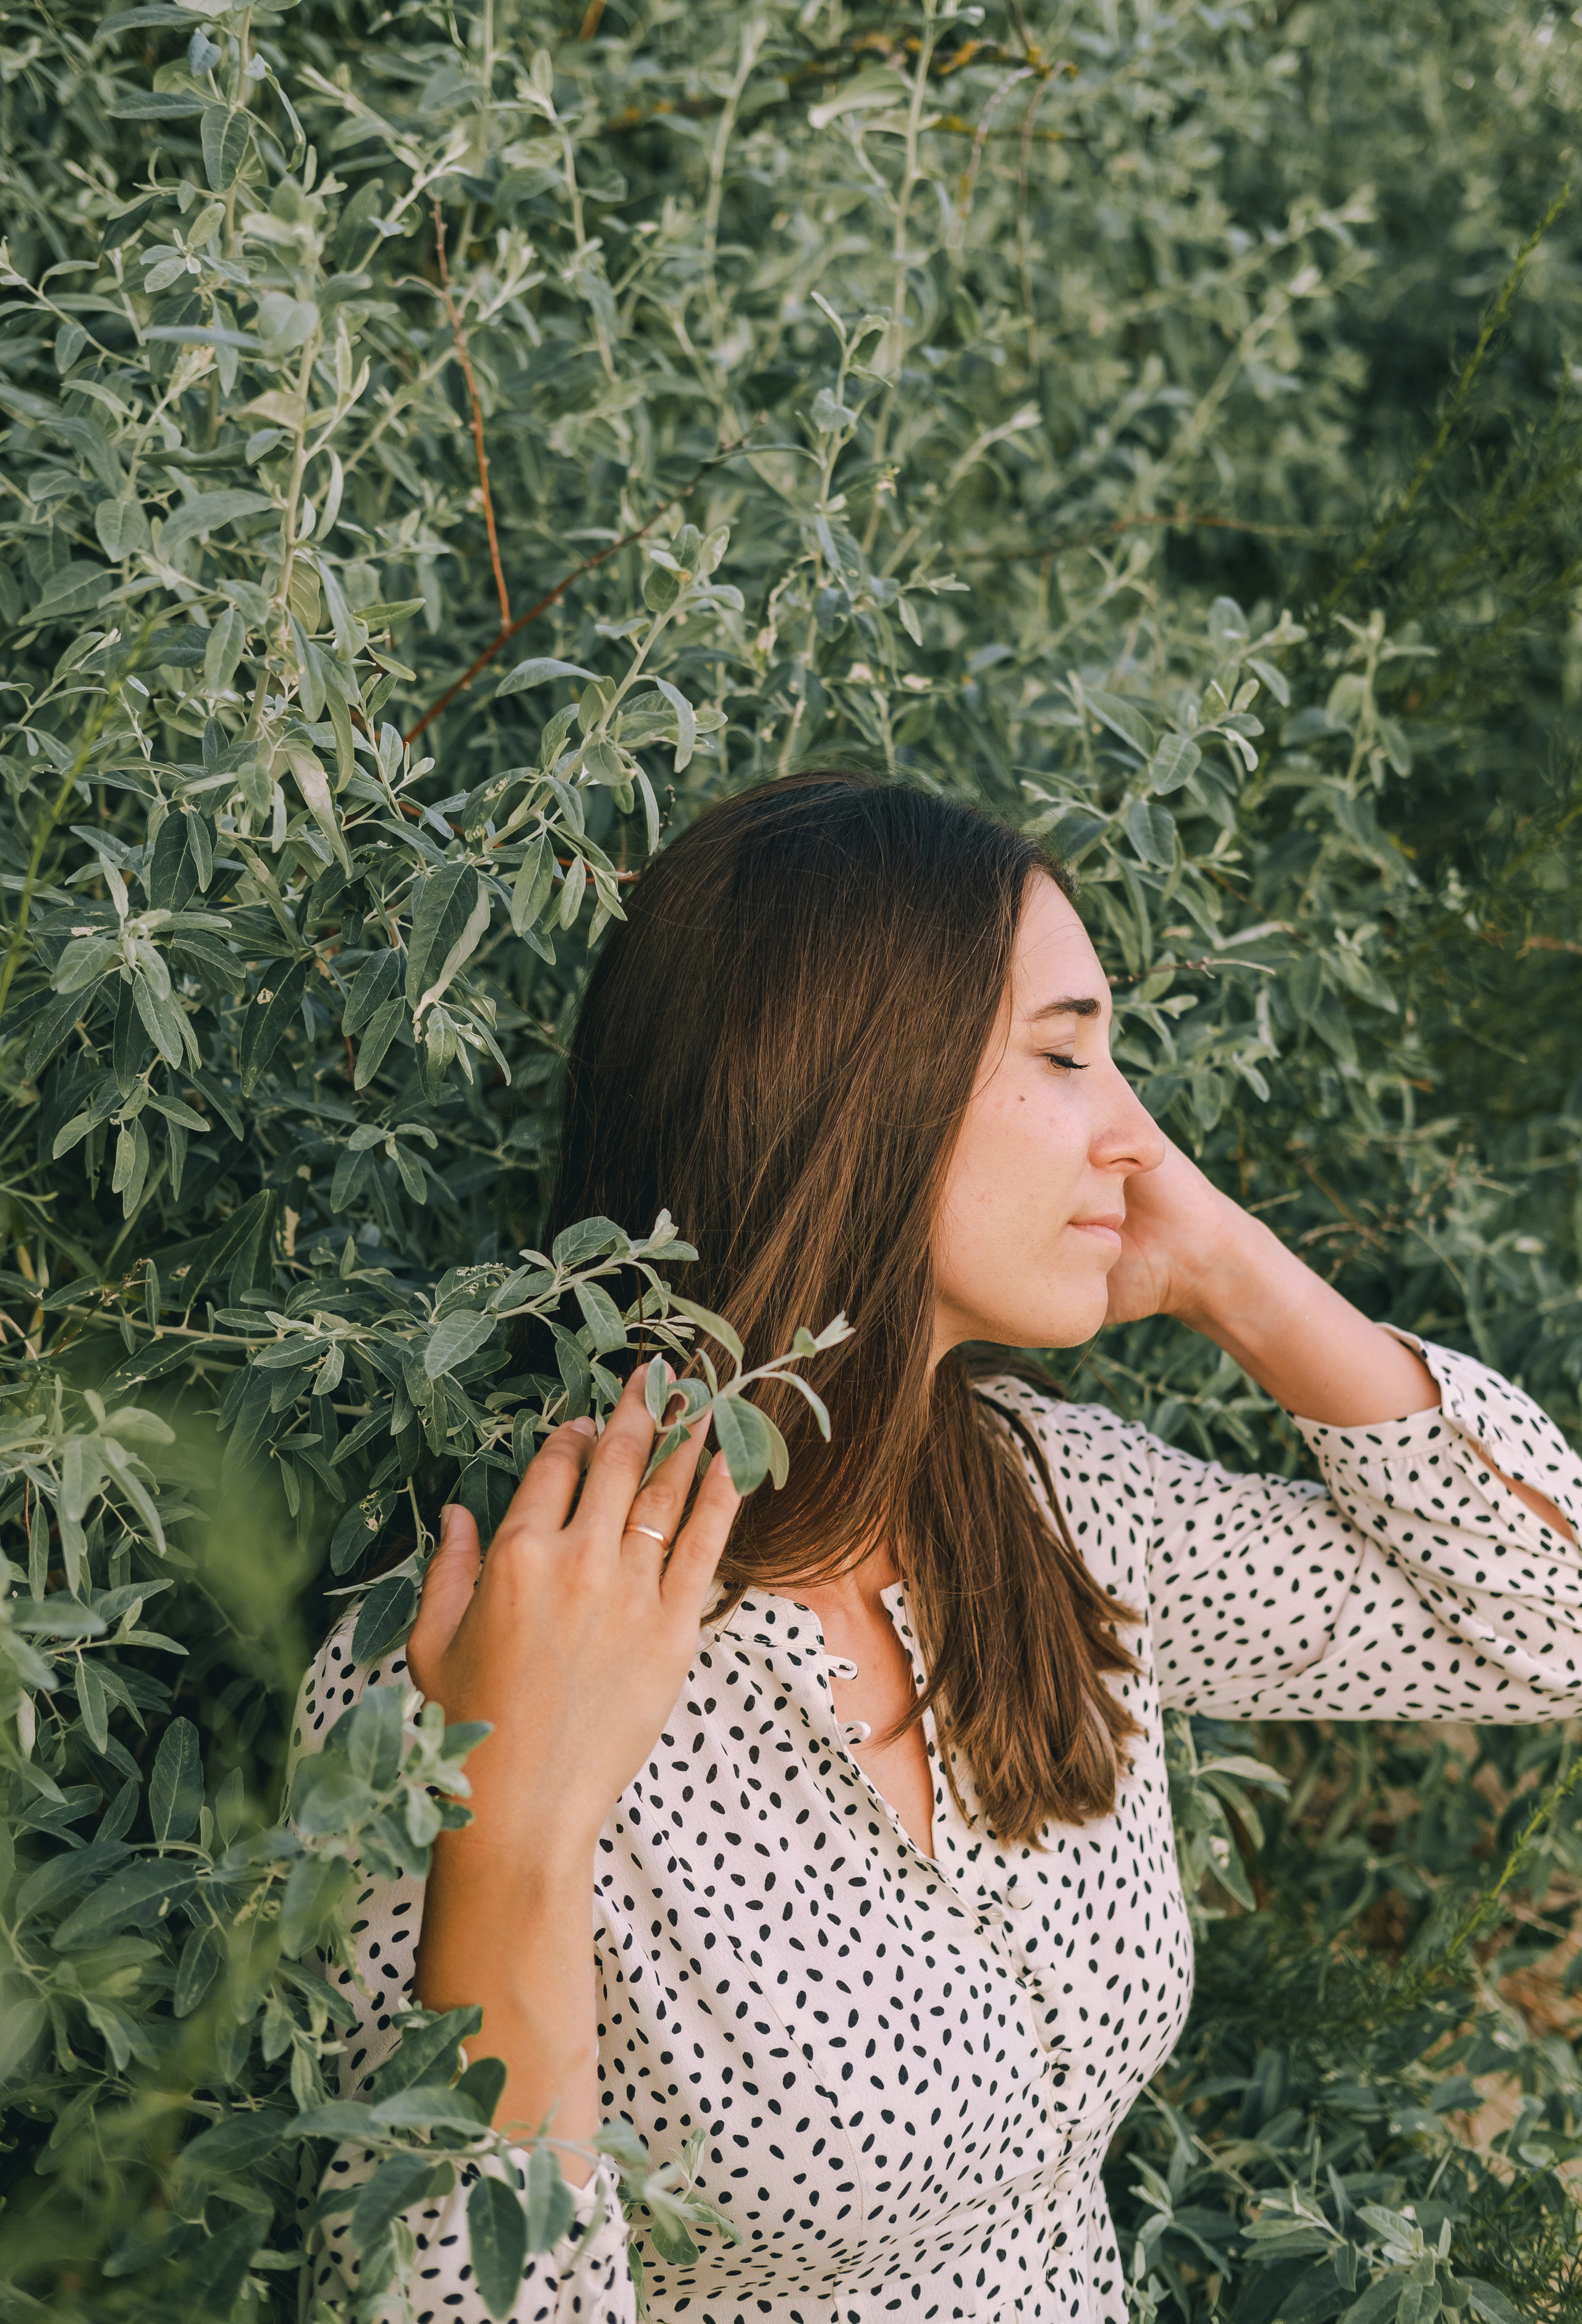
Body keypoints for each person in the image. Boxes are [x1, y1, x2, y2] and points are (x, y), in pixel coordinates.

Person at [293, 771, 1582, 2324]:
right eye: (1065, 1055)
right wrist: (512, 1840)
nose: (1136, 1137)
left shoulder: (1047, 1505)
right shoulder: (466, 1659)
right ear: (853, 1090)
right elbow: (448, 2293)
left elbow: (1551, 1626)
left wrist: (1233, 1269)